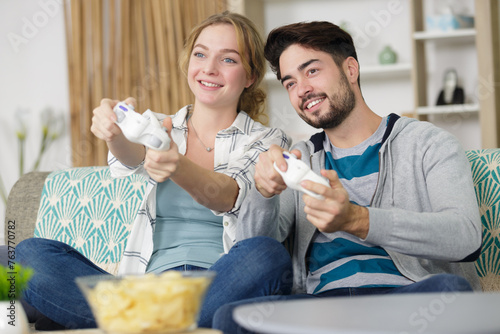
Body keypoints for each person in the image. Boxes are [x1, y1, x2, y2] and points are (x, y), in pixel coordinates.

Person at [14, 11, 292, 330]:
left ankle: (132, 323)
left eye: (228, 60)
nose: (209, 69)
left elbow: (230, 194)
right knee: (29, 253)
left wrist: (178, 165)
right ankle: (157, 319)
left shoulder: (268, 140)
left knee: (267, 256)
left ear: (250, 76)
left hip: (220, 287)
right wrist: (115, 133)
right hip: (144, 289)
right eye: (200, 54)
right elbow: (133, 156)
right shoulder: (159, 125)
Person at [212, 21, 482, 333]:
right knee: (231, 317)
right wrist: (263, 192)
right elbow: (252, 260)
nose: (302, 89)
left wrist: (357, 219)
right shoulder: (298, 157)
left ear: (350, 69)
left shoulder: (428, 142)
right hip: (321, 307)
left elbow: (465, 236)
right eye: (289, 83)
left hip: (406, 300)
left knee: (449, 293)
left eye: (312, 71)